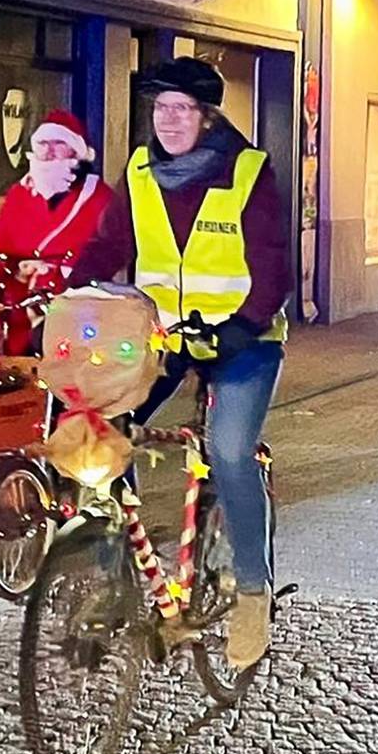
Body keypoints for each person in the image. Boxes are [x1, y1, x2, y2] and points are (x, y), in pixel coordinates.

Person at [73, 57, 291, 669]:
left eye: (181, 109)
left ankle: (253, 590)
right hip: (166, 336)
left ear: (207, 116)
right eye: (160, 109)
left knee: (226, 450)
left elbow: (272, 262)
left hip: (245, 340)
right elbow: (110, 243)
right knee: (104, 423)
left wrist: (243, 326)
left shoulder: (248, 171)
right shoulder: (140, 170)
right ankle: (112, 574)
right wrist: (68, 294)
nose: (168, 120)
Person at [0, 109, 115, 355]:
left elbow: (107, 255)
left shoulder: (101, 199)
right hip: (18, 320)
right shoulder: (20, 195)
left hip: (75, 321)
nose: (49, 151)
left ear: (76, 152)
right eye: (43, 144)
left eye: (59, 143)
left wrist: (56, 271)